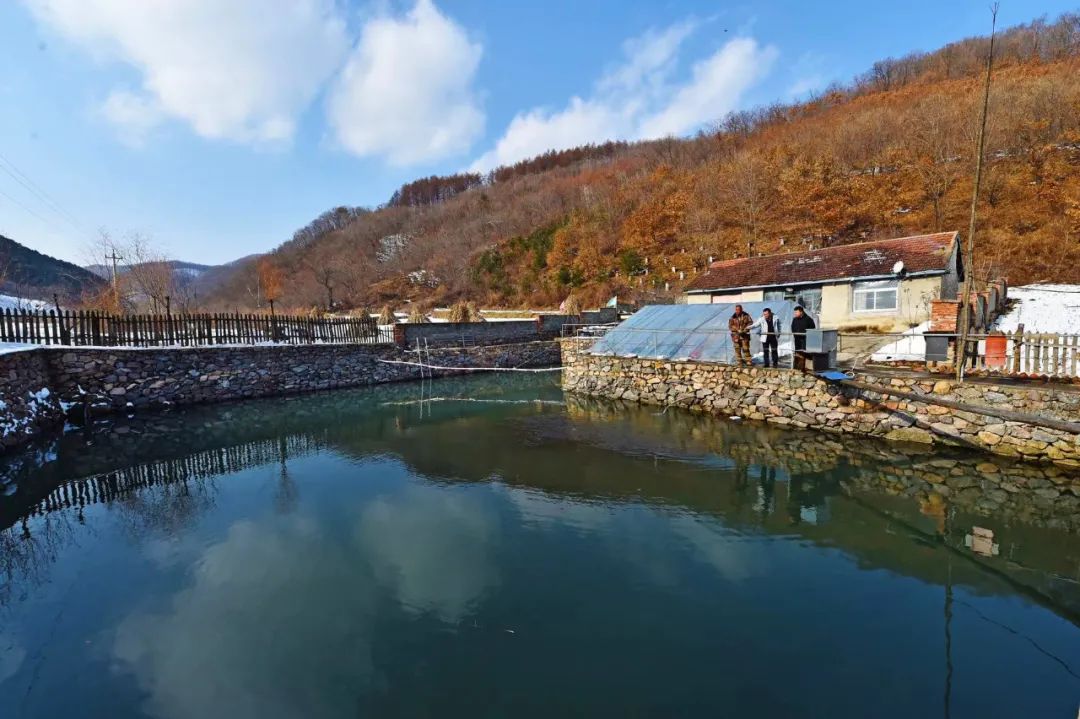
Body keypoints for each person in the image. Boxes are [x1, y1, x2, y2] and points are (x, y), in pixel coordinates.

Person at [790, 305, 816, 371]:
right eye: (794, 312)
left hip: (806, 340)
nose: (795, 314)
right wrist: (795, 334)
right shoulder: (795, 319)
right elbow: (792, 328)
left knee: (806, 354)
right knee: (798, 353)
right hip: (797, 340)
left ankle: (807, 369)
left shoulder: (809, 319)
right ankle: (798, 368)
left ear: (801, 312)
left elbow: (812, 330)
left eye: (796, 312)